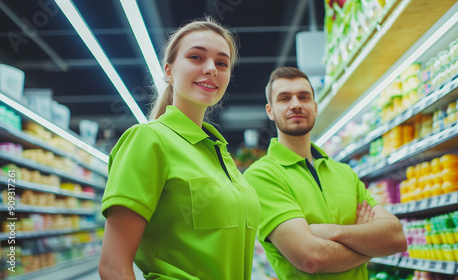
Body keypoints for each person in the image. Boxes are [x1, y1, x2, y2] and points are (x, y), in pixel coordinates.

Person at [98, 17, 260, 280]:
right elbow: (113, 266)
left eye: (222, 63)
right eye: (196, 57)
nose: (211, 69)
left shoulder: (223, 156)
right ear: (169, 71)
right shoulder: (148, 141)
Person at [244, 67, 407, 280]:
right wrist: (368, 244)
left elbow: (396, 239)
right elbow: (312, 258)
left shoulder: (345, 172)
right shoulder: (261, 175)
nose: (296, 104)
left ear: (315, 107)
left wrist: (333, 232)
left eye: (304, 97)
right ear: (270, 111)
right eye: (284, 98)